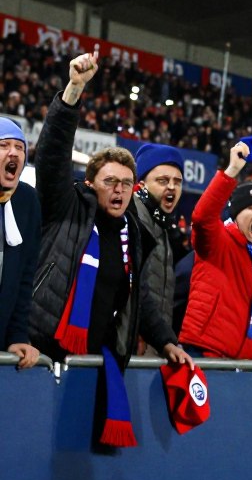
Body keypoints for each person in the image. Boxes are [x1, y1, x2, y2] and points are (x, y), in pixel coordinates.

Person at [29, 52, 190, 373]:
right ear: (90, 182)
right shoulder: (68, 207)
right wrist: (73, 90)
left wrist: (167, 340)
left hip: (97, 361)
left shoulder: (134, 233)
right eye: (111, 181)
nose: (119, 189)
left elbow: (140, 299)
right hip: (40, 350)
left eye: (127, 183)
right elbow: (51, 156)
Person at [178, 142, 252, 359]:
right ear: (236, 215)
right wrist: (231, 171)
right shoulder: (218, 243)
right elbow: (202, 218)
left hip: (243, 365)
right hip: (204, 354)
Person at [131, 143, 187, 355]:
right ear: (142, 184)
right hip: (134, 344)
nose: (171, 187)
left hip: (153, 343)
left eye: (177, 182)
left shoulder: (160, 225)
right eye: (162, 181)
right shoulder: (134, 218)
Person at [0, 116, 41, 369]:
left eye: (20, 147)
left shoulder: (26, 200)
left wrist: (17, 337)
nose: (14, 152)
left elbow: (25, 280)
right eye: (4, 146)